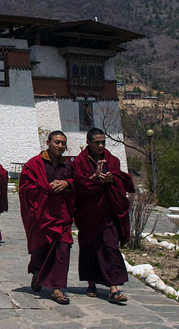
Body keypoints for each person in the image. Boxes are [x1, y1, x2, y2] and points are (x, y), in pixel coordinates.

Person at [72, 128, 134, 304]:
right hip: (89, 212)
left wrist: (111, 179)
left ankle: (114, 288)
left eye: (103, 142)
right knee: (89, 247)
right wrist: (94, 179)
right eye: (97, 142)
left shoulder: (112, 160)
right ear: (88, 142)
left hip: (107, 213)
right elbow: (79, 183)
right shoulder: (79, 162)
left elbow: (121, 180)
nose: (100, 145)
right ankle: (91, 284)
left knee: (110, 247)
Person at [18, 130, 75, 304]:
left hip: (62, 215)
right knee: (40, 250)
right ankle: (38, 272)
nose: (60, 146)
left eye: (63, 143)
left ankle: (58, 289)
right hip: (40, 215)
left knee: (63, 250)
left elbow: (77, 182)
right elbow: (25, 188)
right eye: (57, 142)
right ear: (48, 142)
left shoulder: (68, 165)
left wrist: (67, 184)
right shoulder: (34, 164)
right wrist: (45, 188)